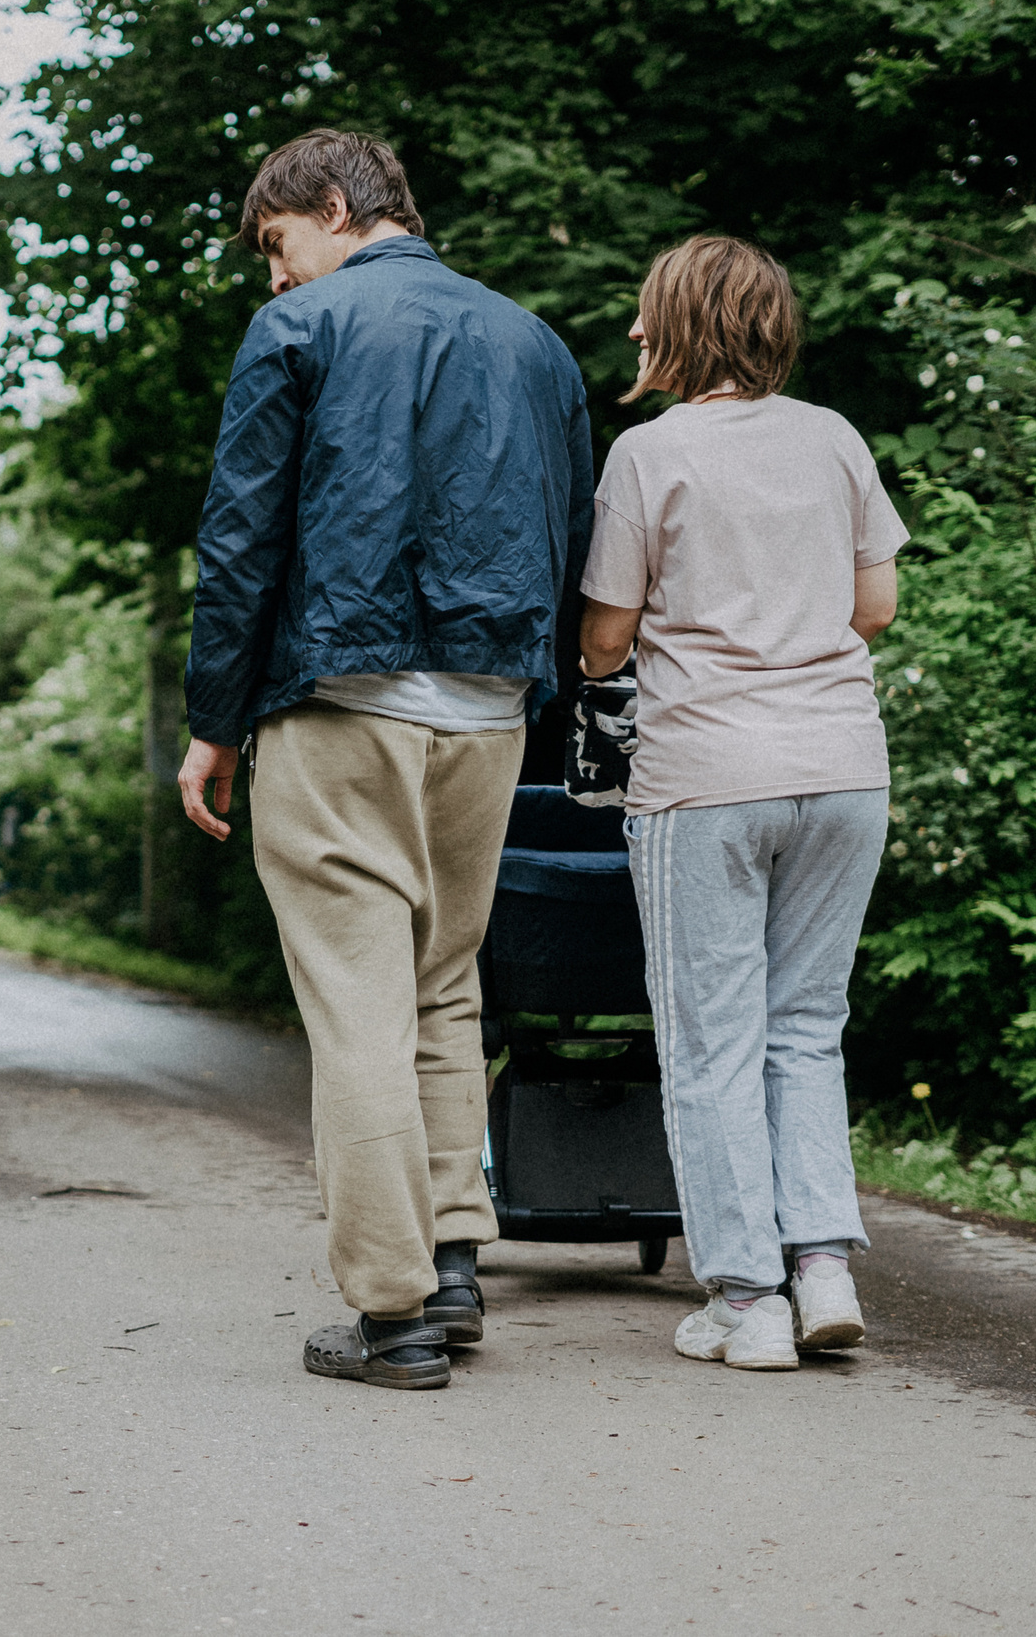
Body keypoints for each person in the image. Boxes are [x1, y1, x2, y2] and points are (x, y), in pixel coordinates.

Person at [178, 129, 596, 1391]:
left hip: (340, 696)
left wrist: (214, 720)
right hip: (490, 706)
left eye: (275, 243)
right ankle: (455, 1259)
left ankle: (393, 1311)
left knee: (358, 998)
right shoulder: (533, 342)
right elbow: (572, 532)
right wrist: (542, 691)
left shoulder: (299, 331)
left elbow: (242, 538)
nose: (272, 274)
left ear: (330, 204)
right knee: (443, 983)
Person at [577, 235, 906, 1372]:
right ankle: (823, 1269)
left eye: (646, 312)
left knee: (711, 1041)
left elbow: (606, 636)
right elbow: (875, 607)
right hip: (844, 769)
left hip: (707, 779)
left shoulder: (647, 453)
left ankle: (746, 1299)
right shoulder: (834, 438)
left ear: (686, 326)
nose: (633, 332)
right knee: (806, 1028)